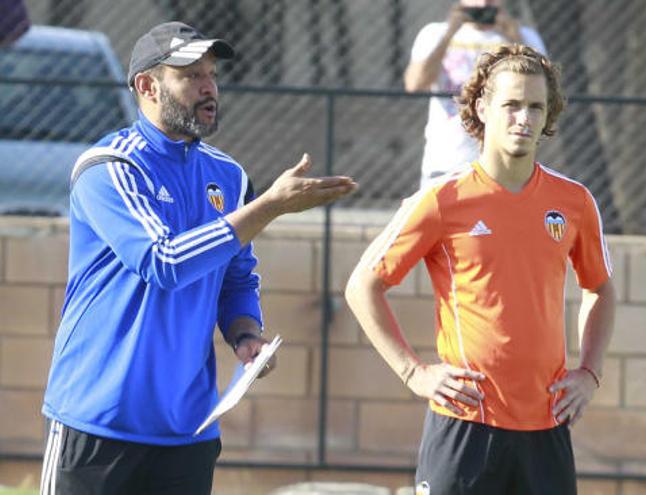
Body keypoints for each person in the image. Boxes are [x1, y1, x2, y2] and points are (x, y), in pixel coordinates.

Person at [39, 21, 356, 495]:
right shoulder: (110, 167)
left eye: (211, 74)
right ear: (147, 86)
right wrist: (269, 205)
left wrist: (245, 332)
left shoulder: (227, 175)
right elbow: (163, 262)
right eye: (190, 76)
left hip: (189, 427)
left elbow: (236, 275)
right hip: (97, 421)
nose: (209, 87)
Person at [347, 44, 615, 494]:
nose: (524, 118)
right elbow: (362, 287)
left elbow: (601, 290)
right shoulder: (441, 199)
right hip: (466, 425)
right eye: (511, 105)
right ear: (482, 108)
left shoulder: (574, 202)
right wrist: (414, 373)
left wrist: (589, 373)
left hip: (546, 424)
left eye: (536, 106)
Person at [405, 0, 546, 188]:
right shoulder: (435, 33)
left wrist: (514, 37)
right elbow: (415, 83)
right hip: (446, 162)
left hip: (502, 166)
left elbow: (544, 86)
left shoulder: (524, 36)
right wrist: (449, 33)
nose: (485, 3)